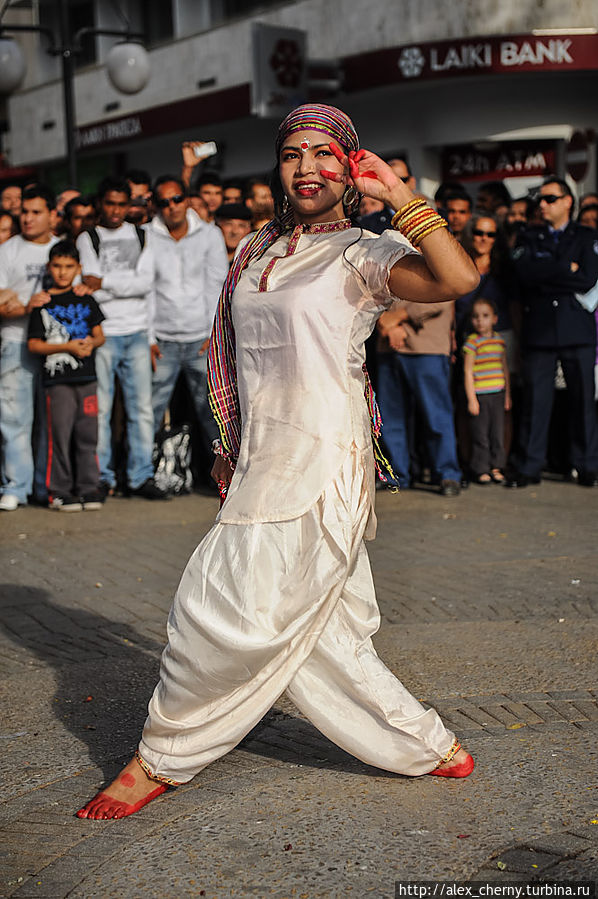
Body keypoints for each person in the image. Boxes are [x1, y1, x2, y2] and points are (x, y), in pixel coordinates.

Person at [77, 103, 478, 821]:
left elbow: (457, 278)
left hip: (325, 458)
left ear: (350, 165)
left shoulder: (364, 249)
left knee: (211, 604)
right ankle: (428, 744)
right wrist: (232, 449)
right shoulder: (254, 251)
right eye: (294, 154)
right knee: (313, 629)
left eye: (325, 154)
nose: (307, 167)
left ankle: (161, 756)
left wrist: (401, 196)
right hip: (264, 453)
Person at [76, 176, 167, 500]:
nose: (115, 211)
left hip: (138, 332)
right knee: (100, 410)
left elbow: (145, 283)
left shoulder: (143, 235)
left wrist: (105, 282)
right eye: (110, 203)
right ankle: (102, 477)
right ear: (101, 203)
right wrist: (113, 283)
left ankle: (140, 476)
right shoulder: (88, 238)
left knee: (141, 408)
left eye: (121, 204)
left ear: (129, 205)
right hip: (104, 334)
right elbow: (87, 284)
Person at [508, 177, 598, 488]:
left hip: (576, 329)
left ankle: (587, 465)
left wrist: (548, 272)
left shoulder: (586, 236)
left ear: (567, 201)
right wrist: (564, 269)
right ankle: (530, 466)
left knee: (583, 401)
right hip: (541, 330)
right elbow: (524, 274)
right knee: (535, 401)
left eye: (549, 199)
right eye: (540, 201)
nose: (542, 205)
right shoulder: (527, 235)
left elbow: (587, 278)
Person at [147, 175, 228, 453]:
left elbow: (217, 286)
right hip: (162, 342)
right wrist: (149, 338)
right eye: (164, 202)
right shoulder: (146, 236)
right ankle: (144, 473)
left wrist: (212, 333)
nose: (172, 206)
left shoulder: (209, 234)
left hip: (201, 341)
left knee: (212, 411)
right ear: (157, 206)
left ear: (187, 200)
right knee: (151, 411)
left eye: (177, 199)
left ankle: (224, 473)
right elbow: (146, 289)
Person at [27, 241, 105, 511]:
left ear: (78, 268)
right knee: (58, 436)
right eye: (57, 266)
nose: (62, 272)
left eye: (68, 266)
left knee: (88, 435)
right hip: (57, 383)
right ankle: (57, 491)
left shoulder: (86, 298)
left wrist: (88, 345)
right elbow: (34, 344)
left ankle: (88, 487)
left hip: (88, 380)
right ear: (49, 268)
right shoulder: (43, 303)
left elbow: (99, 336)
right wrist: (67, 347)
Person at [0, 184, 58, 512]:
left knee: (51, 420)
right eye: (25, 211)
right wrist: (26, 307)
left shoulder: (62, 249)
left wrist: (14, 298)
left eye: (36, 212)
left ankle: (46, 486)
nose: (28, 218)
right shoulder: (8, 250)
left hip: (56, 346)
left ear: (52, 215)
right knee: (14, 418)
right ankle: (15, 486)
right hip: (15, 342)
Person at [463, 298, 511, 483]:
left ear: (495, 319)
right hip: (480, 395)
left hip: (498, 394)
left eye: (485, 316)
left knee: (497, 433)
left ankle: (497, 466)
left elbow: (504, 368)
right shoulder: (472, 343)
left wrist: (507, 395)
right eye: (475, 316)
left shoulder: (499, 341)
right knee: (480, 434)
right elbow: (467, 371)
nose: (480, 320)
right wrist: (471, 399)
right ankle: (481, 468)